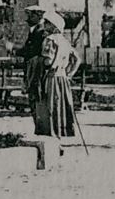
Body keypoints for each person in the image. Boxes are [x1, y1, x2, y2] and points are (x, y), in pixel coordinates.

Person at [27, 10, 80, 138]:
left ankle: (52, 136)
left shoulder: (49, 40)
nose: (44, 24)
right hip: (62, 79)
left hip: (51, 79)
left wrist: (35, 60)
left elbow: (48, 61)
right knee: (60, 108)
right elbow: (77, 59)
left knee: (49, 108)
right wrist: (69, 74)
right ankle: (60, 135)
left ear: (53, 26)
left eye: (47, 23)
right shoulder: (65, 41)